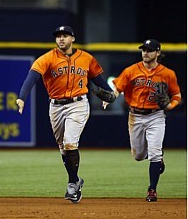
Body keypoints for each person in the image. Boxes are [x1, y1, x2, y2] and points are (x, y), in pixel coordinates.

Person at [16, 25, 115, 204]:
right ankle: (76, 180)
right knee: (63, 148)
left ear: (73, 38)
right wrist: (22, 97)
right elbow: (31, 78)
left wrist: (109, 93)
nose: (61, 39)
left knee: (70, 143)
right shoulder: (47, 58)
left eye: (65, 36)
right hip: (55, 106)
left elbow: (97, 78)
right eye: (58, 36)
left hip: (78, 104)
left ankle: (71, 184)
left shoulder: (86, 58)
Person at [103, 39, 181, 202]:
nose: (145, 52)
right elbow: (118, 87)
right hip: (135, 116)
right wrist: (111, 98)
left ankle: (152, 189)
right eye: (144, 49)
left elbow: (177, 95)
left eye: (149, 50)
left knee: (154, 153)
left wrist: (170, 106)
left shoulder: (168, 74)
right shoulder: (131, 70)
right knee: (138, 156)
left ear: (158, 53)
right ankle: (157, 158)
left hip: (156, 116)